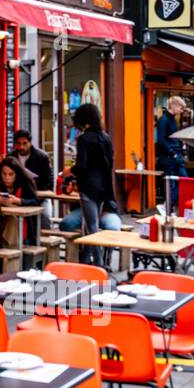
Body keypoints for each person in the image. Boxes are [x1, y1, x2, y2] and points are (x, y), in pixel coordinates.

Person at [70, 103, 115, 267]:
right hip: (104, 186)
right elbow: (110, 163)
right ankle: (84, 259)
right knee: (91, 223)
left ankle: (98, 264)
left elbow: (82, 165)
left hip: (88, 187)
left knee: (91, 226)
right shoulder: (106, 137)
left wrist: (70, 171)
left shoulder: (83, 139)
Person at [155, 95, 188, 206]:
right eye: (180, 108)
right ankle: (168, 206)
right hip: (170, 157)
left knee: (183, 181)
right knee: (173, 184)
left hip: (174, 155)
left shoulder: (170, 119)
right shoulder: (164, 120)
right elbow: (161, 140)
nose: (181, 111)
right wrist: (172, 153)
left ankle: (168, 206)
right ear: (174, 106)